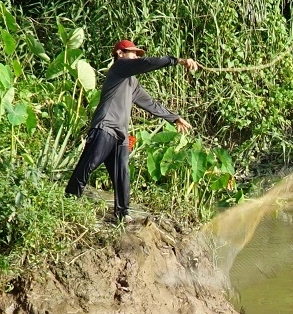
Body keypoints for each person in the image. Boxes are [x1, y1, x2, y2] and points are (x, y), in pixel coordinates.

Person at [65, 39, 201, 220]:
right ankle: (69, 202)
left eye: (137, 54)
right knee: (88, 165)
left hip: (120, 134)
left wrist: (174, 117)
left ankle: (122, 215)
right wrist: (178, 61)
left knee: (122, 174)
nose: (135, 56)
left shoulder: (132, 82)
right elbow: (146, 63)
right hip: (105, 128)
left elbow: (150, 103)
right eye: (132, 53)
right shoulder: (119, 68)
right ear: (120, 54)